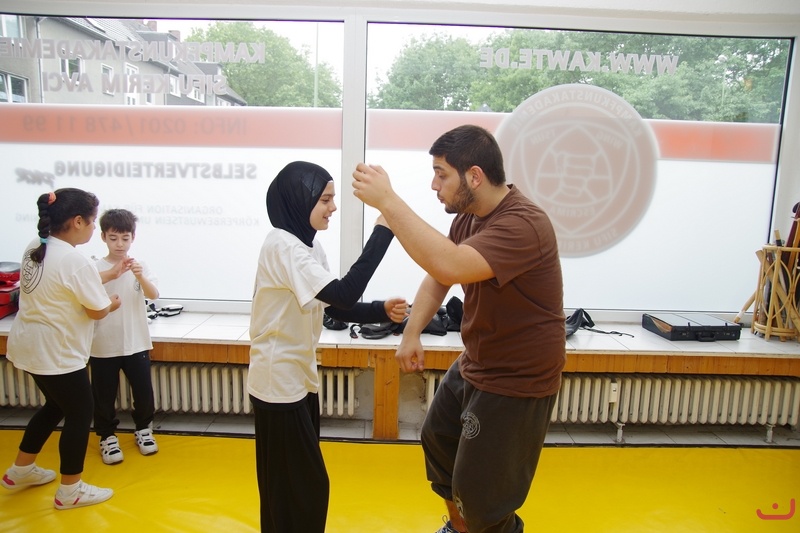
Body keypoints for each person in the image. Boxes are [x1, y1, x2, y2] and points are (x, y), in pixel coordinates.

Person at [352, 125, 565, 533]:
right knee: (438, 440)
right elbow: (439, 276)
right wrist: (411, 332)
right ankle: (459, 528)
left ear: (474, 176)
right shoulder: (469, 219)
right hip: (478, 361)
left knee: (485, 496)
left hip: (518, 377)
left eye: (441, 174)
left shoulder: (524, 224)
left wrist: (389, 202)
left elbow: (448, 264)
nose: (434, 185)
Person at [248, 161, 408, 533]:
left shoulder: (307, 245)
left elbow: (333, 304)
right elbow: (343, 293)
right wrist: (383, 230)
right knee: (305, 487)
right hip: (278, 383)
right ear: (299, 200)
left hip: (298, 379)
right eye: (325, 199)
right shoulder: (283, 245)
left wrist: (379, 310)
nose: (333, 207)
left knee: (288, 487)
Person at [1, 188, 121, 510]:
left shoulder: (37, 245)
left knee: (55, 406)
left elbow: (64, 283)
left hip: (28, 346)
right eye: (92, 222)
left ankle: (21, 469)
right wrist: (111, 303)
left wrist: (109, 275)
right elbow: (96, 310)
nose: (93, 228)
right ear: (78, 221)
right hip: (57, 353)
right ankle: (70, 491)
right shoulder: (74, 260)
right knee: (80, 413)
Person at [90, 209, 160, 465]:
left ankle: (144, 429)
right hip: (102, 344)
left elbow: (154, 295)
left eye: (125, 238)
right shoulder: (94, 268)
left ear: (133, 238)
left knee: (143, 391)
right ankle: (107, 436)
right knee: (103, 395)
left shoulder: (139, 266)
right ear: (103, 237)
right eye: (113, 238)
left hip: (136, 342)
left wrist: (139, 275)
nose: (119, 244)